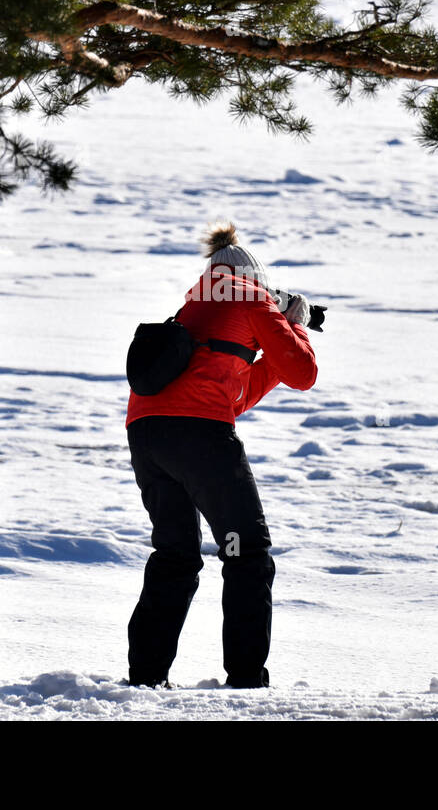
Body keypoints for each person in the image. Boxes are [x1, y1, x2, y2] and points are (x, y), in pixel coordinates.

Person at [124, 222, 318, 689]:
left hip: (147, 434)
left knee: (176, 554)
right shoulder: (251, 298)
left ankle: (146, 678)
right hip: (201, 436)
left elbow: (233, 397)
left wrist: (277, 337)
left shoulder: (192, 308)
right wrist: (295, 326)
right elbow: (304, 373)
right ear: (257, 278)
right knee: (247, 551)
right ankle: (247, 680)